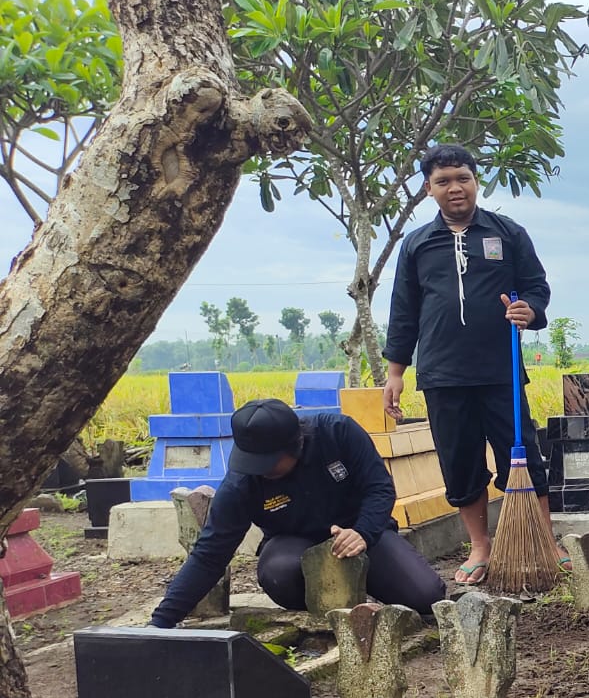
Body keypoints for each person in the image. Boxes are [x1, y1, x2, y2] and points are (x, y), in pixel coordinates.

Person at [381, 143, 559, 587]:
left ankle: (545, 541)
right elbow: (403, 311)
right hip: (442, 374)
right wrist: (396, 373)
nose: (454, 188)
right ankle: (480, 547)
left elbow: (536, 288)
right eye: (443, 181)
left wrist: (530, 311)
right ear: (428, 189)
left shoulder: (507, 233)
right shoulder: (417, 244)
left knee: (523, 453)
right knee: (459, 463)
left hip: (500, 369)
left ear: (476, 182)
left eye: (462, 178)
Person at [150, 399, 445, 627]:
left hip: (360, 534)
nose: (260, 472)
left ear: (297, 445)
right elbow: (209, 555)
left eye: (267, 463)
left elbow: (380, 488)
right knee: (278, 573)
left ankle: (372, 584)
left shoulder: (339, 433)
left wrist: (363, 532)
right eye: (253, 463)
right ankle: (326, 616)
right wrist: (161, 621)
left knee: (426, 596)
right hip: (292, 544)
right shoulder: (242, 483)